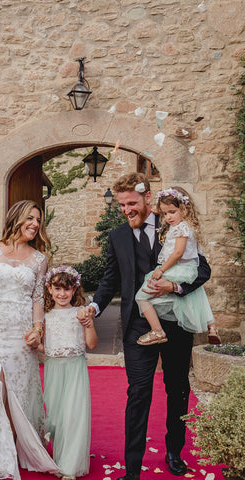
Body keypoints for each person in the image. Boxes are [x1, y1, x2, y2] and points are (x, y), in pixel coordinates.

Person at [78, 172, 212, 479]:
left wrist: (174, 288)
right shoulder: (117, 237)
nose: (126, 210)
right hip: (138, 328)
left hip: (176, 323)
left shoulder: (173, 224)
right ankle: (133, 469)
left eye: (132, 203)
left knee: (177, 389)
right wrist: (95, 306)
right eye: (122, 205)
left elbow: (202, 269)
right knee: (138, 392)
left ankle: (174, 451)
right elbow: (110, 279)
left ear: (147, 198)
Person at [0, 200, 58, 480]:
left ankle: (18, 446)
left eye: (38, 220)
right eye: (30, 218)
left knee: (18, 390)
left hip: (20, 332)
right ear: (16, 218)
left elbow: (38, 298)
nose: (35, 224)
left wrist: (38, 329)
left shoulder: (39, 259)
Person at [135, 186, 221, 346]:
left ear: (184, 209)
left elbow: (177, 253)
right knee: (197, 297)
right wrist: (155, 210)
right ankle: (212, 327)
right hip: (186, 269)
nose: (167, 217)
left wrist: (162, 270)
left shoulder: (180, 228)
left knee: (141, 297)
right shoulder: (185, 225)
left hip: (176, 269)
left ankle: (157, 331)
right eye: (165, 213)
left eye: (172, 212)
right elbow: (162, 211)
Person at [39, 265, 97, 480]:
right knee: (54, 418)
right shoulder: (44, 315)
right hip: (53, 366)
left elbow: (91, 344)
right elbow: (42, 345)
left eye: (67, 289)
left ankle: (69, 466)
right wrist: (34, 342)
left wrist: (89, 324)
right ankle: (58, 452)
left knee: (73, 415)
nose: (62, 294)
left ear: (75, 290)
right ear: (49, 289)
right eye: (57, 289)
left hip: (75, 367)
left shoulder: (80, 312)